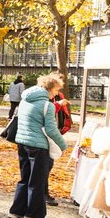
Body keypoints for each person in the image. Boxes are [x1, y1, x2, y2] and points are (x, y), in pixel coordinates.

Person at [9, 73, 68, 218]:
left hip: (22, 143)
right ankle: (34, 215)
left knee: (25, 178)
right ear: (50, 88)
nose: (56, 93)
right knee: (37, 181)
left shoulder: (25, 100)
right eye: (56, 89)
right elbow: (51, 129)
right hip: (38, 146)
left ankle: (17, 211)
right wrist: (63, 145)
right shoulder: (47, 105)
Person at [44, 71, 71, 206]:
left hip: (53, 134)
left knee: (47, 165)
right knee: (45, 166)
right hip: (46, 138)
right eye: (58, 86)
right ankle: (43, 194)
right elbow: (47, 114)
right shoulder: (46, 98)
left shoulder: (55, 96)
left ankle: (42, 193)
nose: (60, 89)